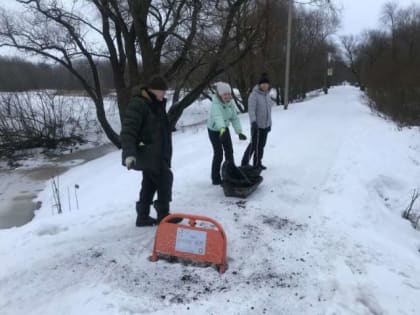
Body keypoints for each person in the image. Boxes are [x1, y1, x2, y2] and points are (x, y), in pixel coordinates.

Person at [121, 75, 181, 227]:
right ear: (154, 90)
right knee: (165, 178)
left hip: (157, 152)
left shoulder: (155, 103)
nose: (164, 95)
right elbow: (128, 131)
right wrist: (129, 154)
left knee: (149, 183)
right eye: (162, 92)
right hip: (147, 152)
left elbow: (160, 129)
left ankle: (142, 216)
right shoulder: (139, 104)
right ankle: (163, 215)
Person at [207, 82, 247, 185]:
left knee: (229, 151)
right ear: (220, 94)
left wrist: (239, 132)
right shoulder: (215, 105)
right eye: (225, 94)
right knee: (219, 153)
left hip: (224, 128)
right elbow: (217, 117)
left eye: (229, 94)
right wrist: (222, 130)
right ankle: (215, 178)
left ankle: (231, 171)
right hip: (214, 130)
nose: (227, 96)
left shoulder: (231, 103)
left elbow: (234, 118)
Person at [241, 73, 273, 170]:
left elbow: (269, 111)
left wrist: (269, 124)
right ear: (259, 84)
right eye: (262, 83)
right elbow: (251, 110)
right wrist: (253, 122)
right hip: (257, 126)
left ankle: (257, 163)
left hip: (265, 125)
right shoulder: (254, 95)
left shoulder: (267, 95)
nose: (264, 85)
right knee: (254, 145)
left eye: (266, 83)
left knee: (261, 145)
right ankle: (244, 163)